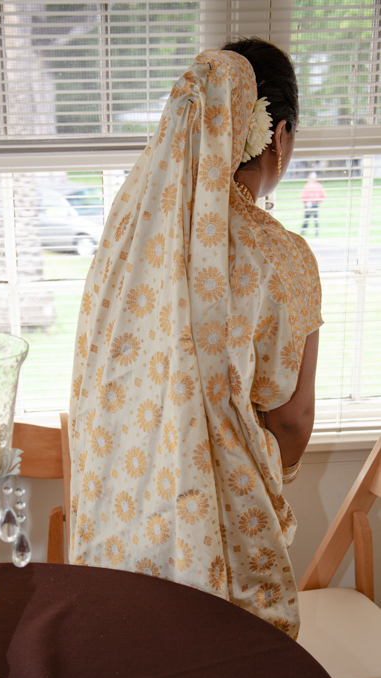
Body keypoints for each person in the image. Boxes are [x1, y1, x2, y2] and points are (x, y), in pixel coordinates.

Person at [68, 38, 322, 639]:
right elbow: (291, 417)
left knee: (135, 665)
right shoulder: (280, 255)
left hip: (120, 513)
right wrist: (264, 469)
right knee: (223, 676)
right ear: (278, 135)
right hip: (223, 527)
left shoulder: (131, 239)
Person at [301, 171, 326, 235]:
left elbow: (303, 196)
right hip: (315, 203)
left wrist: (305, 202)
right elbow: (322, 195)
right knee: (315, 218)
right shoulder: (318, 186)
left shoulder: (307, 186)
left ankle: (303, 232)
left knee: (306, 218)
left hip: (308, 204)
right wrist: (318, 201)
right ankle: (316, 232)